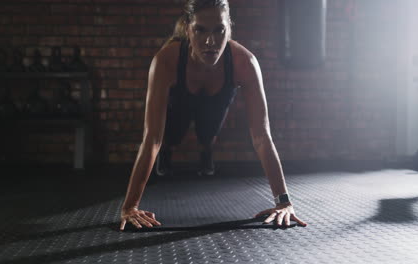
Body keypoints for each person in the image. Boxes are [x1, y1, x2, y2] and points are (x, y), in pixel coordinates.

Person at [120, 0, 307, 231]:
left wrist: (283, 202)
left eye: (219, 30)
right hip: (179, 101)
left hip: (216, 100)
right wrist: (130, 206)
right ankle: (169, 153)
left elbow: (261, 136)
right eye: (201, 30)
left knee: (208, 132)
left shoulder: (244, 62)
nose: (210, 42)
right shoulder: (166, 60)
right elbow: (152, 139)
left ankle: (206, 147)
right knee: (170, 137)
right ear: (188, 29)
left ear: (229, 28)